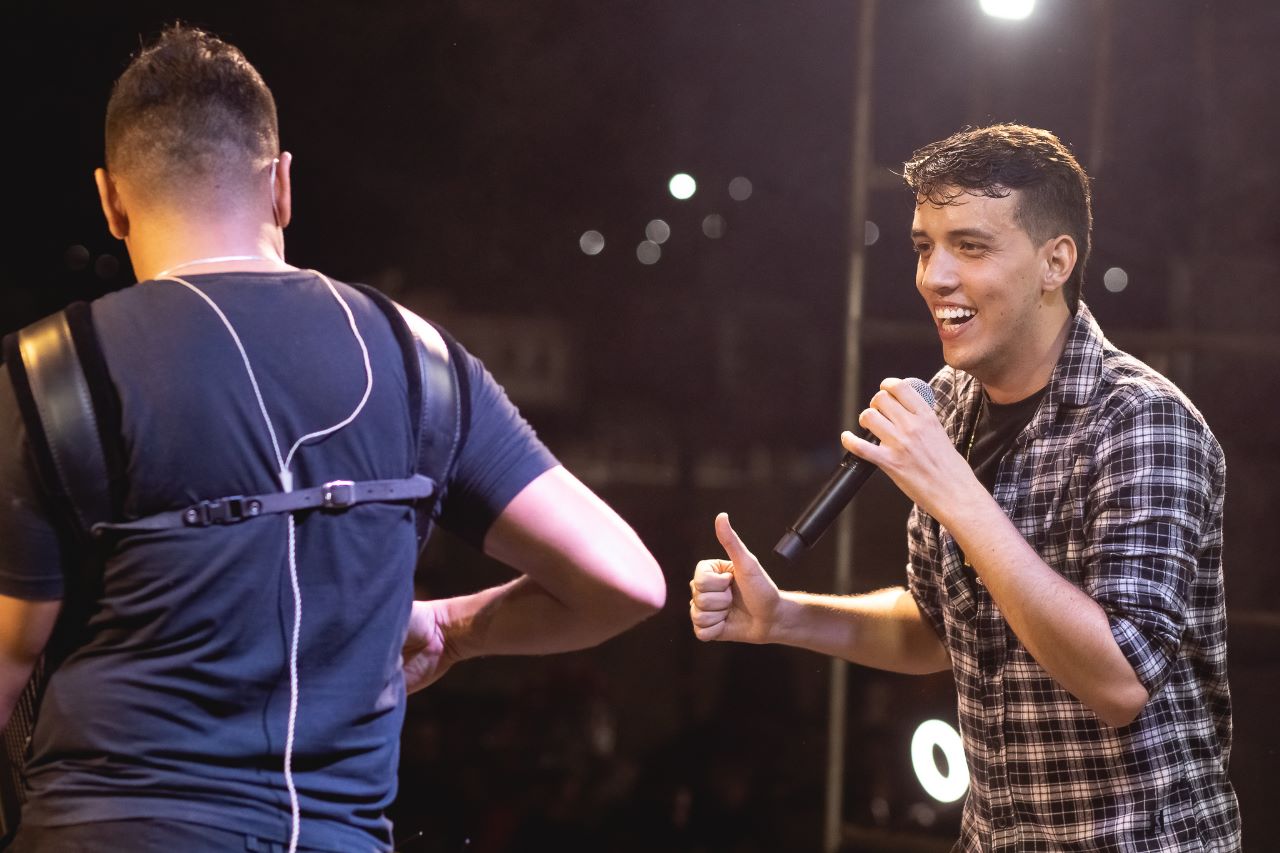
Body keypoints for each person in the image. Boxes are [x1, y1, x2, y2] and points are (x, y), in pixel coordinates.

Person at [0, 25, 665, 853]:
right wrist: (455, 628)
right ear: (282, 185)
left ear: (111, 200)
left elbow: (9, 664)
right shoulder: (417, 360)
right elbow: (625, 580)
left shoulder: (52, 373)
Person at [690, 124, 1240, 850]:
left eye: (970, 247)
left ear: (1055, 262)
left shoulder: (1142, 420)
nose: (934, 277)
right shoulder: (950, 406)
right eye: (925, 247)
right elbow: (935, 628)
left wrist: (955, 491)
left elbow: (1119, 682)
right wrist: (786, 617)